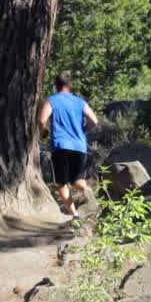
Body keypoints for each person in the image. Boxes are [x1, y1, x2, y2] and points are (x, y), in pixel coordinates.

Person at [39, 73, 99, 218]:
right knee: (78, 182)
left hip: (60, 146)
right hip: (79, 146)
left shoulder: (51, 100)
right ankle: (87, 191)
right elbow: (94, 121)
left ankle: (74, 215)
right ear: (70, 85)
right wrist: (82, 131)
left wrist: (43, 132)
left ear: (56, 85)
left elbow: (42, 120)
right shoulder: (80, 102)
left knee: (61, 183)